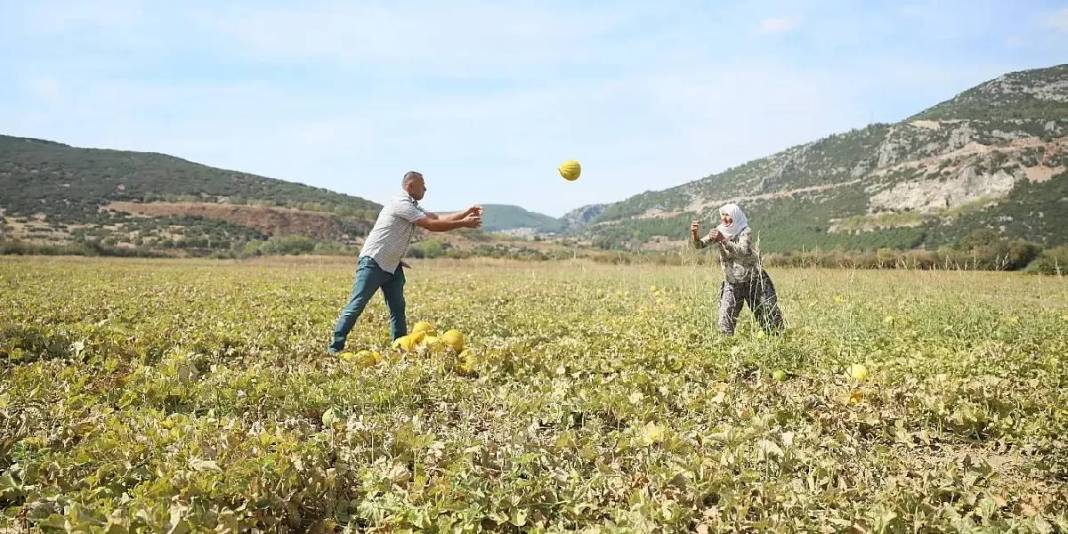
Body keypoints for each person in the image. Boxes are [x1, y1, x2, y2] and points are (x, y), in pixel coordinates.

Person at [329, 171, 482, 354]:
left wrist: (466, 212)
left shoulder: (412, 205)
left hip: (392, 265)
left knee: (398, 308)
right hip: (374, 261)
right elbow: (431, 225)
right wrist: (464, 223)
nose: (426, 188)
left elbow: (436, 218)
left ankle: (399, 347)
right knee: (357, 304)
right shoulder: (401, 203)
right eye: (422, 185)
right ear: (410, 186)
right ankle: (335, 347)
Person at [691, 203, 784, 336]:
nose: (724, 218)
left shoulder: (745, 231)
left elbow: (742, 251)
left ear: (735, 216)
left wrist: (722, 240)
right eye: (722, 215)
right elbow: (699, 245)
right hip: (732, 282)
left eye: (727, 215)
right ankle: (727, 347)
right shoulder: (719, 231)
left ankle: (779, 341)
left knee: (768, 314)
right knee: (725, 318)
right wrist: (694, 233)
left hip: (754, 281)